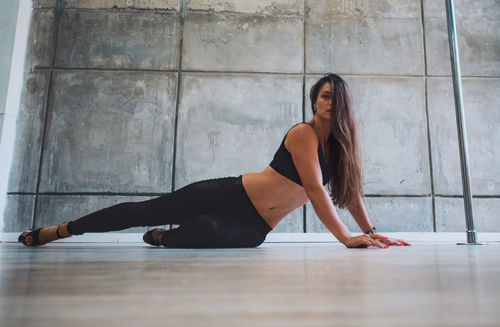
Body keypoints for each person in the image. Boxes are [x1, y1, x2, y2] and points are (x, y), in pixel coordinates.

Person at [18, 73, 410, 249]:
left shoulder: (341, 151)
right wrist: (345, 238)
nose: (329, 101)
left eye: (335, 97)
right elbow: (312, 189)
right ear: (313, 101)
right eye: (324, 95)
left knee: (201, 233)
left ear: (345, 105)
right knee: (143, 210)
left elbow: (352, 196)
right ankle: (63, 230)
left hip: (256, 227)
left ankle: (163, 237)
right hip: (230, 194)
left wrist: (370, 231)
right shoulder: (302, 134)